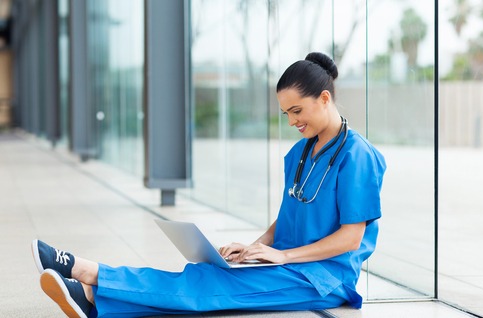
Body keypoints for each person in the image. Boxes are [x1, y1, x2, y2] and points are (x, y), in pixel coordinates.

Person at [32, 52, 386, 318]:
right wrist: (253, 248)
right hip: (284, 264)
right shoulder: (300, 153)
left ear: (325, 98)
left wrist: (283, 255)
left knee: (214, 287)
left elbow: (351, 238)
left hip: (322, 278)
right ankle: (94, 300)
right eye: (286, 114)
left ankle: (88, 272)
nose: (292, 121)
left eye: (297, 111)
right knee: (208, 274)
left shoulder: (358, 155)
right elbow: (288, 217)